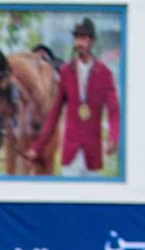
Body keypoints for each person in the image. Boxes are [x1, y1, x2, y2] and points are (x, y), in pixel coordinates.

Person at [25, 17, 120, 176]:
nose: (79, 43)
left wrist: (113, 137)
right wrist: (37, 148)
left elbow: (114, 110)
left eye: (83, 38)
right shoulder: (66, 72)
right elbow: (54, 114)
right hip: (71, 155)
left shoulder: (105, 74)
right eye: (77, 38)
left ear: (92, 41)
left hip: (93, 156)